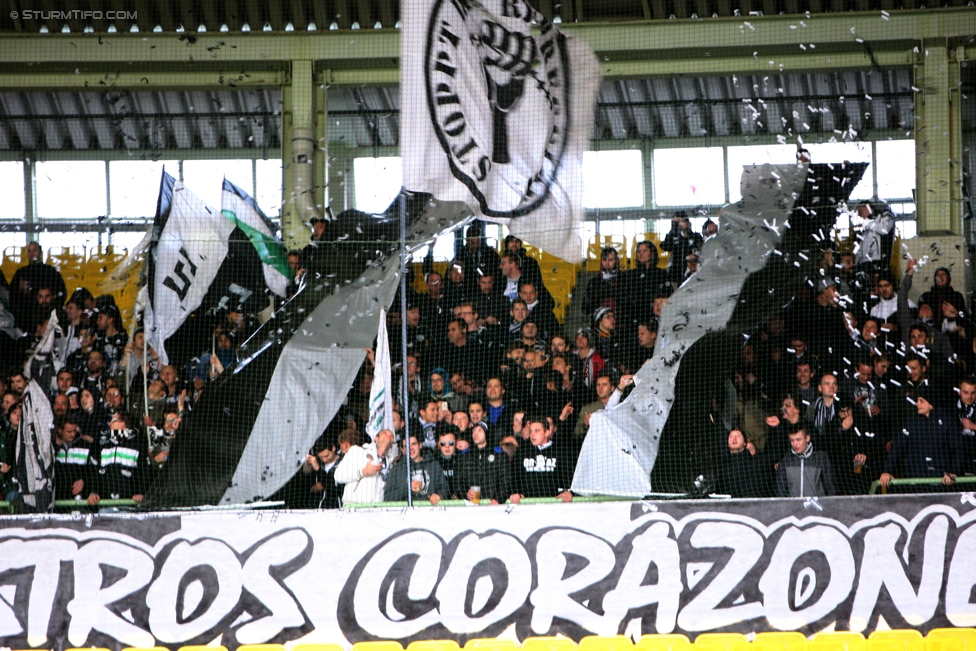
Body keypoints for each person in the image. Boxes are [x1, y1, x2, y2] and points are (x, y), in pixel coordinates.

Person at [881, 389, 962, 490]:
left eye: (921, 401)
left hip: (940, 479)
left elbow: (957, 449)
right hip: (914, 478)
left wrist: (952, 471)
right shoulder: (911, 423)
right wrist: (887, 471)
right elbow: (897, 448)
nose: (917, 403)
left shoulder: (948, 423)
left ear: (931, 403)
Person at [508, 414, 574, 503]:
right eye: (531, 431)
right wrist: (515, 492)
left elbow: (568, 475)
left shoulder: (561, 452)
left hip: (554, 505)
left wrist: (567, 491)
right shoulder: (522, 452)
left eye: (537, 431)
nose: (533, 435)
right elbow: (513, 476)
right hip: (527, 505)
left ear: (547, 432)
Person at [95, 411, 148, 504]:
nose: (109, 423)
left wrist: (140, 492)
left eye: (113, 420)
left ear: (122, 424)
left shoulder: (136, 445)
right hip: (105, 503)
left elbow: (143, 472)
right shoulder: (104, 446)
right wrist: (94, 492)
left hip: (129, 503)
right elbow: (96, 473)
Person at [334, 429, 396, 505]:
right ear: (376, 438)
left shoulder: (392, 462)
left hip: (376, 509)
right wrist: (363, 472)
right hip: (354, 505)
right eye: (385, 433)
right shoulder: (357, 451)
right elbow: (338, 475)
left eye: (392, 436)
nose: (389, 436)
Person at [384, 433, 449, 504]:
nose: (410, 448)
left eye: (413, 444)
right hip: (406, 513)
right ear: (403, 450)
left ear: (420, 445)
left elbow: (445, 490)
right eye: (406, 446)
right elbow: (388, 497)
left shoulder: (434, 466)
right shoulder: (396, 470)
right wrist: (407, 488)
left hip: (430, 512)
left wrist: (438, 496)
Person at [775, 426, 836, 498]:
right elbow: (780, 490)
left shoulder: (820, 458)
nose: (795, 444)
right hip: (793, 507)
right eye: (792, 440)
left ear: (807, 438)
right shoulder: (785, 461)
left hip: (816, 506)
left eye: (798, 440)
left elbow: (830, 487)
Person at [52, 413, 99, 505]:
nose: (73, 434)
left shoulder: (84, 446)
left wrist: (83, 480)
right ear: (59, 430)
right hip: (56, 503)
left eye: (74, 431)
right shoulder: (51, 447)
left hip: (80, 502)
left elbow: (94, 472)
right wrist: (56, 446)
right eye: (69, 432)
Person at [461, 420, 508, 504]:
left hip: (494, 504)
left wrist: (498, 498)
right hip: (471, 505)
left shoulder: (499, 455)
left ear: (487, 433)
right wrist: (465, 493)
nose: (476, 434)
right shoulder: (464, 456)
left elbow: (505, 480)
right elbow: (458, 482)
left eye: (479, 430)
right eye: (474, 431)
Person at [715, 429, 769, 498]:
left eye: (738, 436)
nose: (734, 438)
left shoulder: (757, 462)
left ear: (745, 443)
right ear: (728, 444)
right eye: (731, 436)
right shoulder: (722, 466)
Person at [660, 211, 703, 286]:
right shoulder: (673, 237)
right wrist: (673, 231)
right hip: (676, 274)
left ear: (687, 222)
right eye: (677, 222)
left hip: (693, 272)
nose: (680, 224)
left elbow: (701, 250)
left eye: (682, 221)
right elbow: (666, 247)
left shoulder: (696, 236)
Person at [582, 247, 623, 317]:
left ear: (616, 260)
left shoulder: (624, 279)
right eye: (604, 260)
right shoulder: (593, 282)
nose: (607, 263)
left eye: (610, 260)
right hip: (599, 324)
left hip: (620, 323)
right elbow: (585, 309)